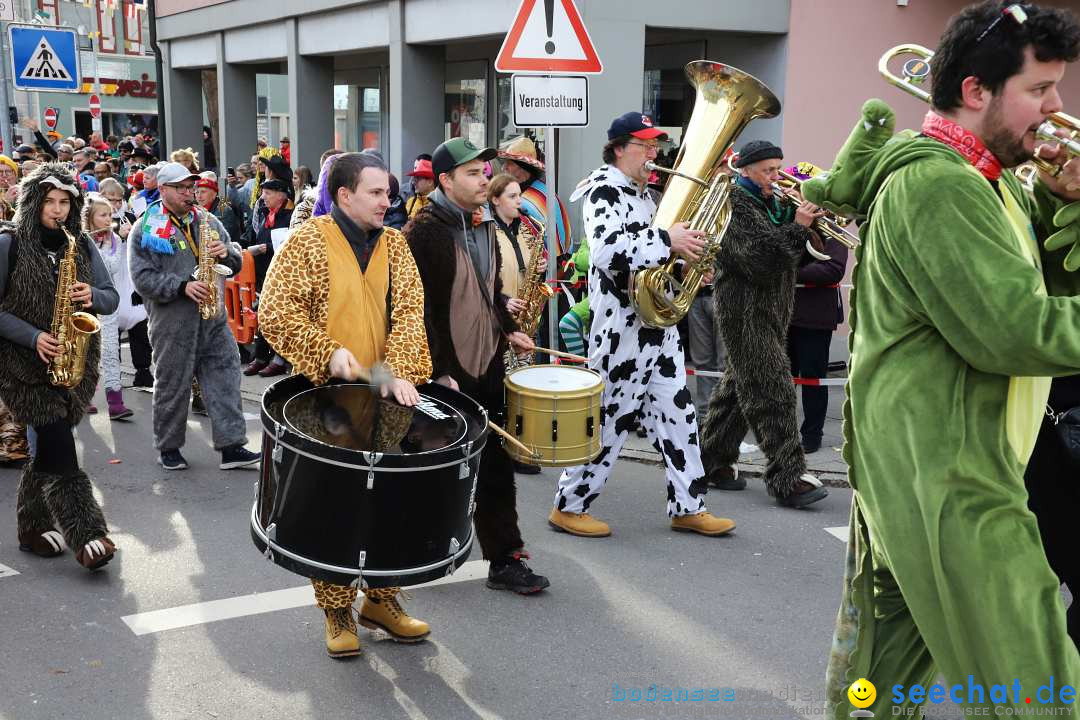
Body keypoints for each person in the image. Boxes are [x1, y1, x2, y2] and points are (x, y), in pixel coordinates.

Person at [797, 2, 1080, 716]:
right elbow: (1016, 329)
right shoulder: (940, 185)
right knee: (1036, 691)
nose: (1057, 108)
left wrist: (1060, 208)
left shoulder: (990, 182)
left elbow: (1035, 289)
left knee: (876, 688)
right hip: (951, 481)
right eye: (1040, 89)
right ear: (977, 91)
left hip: (922, 475)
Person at [260, 151, 433, 657]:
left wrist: (396, 372)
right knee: (334, 507)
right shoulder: (307, 242)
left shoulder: (397, 245)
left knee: (390, 502)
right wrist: (327, 352)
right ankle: (338, 611)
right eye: (377, 192)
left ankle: (382, 599)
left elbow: (410, 314)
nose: (388, 201)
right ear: (344, 195)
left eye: (388, 192)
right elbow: (275, 311)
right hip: (327, 399)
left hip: (387, 397)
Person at [545, 112, 734, 538]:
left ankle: (689, 506)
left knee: (680, 416)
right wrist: (669, 241)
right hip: (621, 329)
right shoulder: (601, 192)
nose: (654, 154)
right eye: (645, 146)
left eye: (655, 147)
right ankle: (569, 505)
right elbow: (608, 254)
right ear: (618, 148)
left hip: (657, 324)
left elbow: (654, 259)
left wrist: (686, 266)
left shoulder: (646, 196)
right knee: (609, 417)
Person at [405, 137, 551, 594]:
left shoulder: (484, 222)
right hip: (446, 369)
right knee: (435, 464)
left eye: (485, 170)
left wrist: (509, 326)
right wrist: (440, 370)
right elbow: (421, 308)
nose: (484, 177)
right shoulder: (423, 231)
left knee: (494, 463)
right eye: (472, 172)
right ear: (445, 180)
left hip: (486, 358)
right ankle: (415, 549)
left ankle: (505, 557)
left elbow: (488, 290)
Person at [0, 162, 119, 569]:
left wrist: (92, 295)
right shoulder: (8, 243)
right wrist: (33, 337)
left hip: (74, 364)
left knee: (44, 447)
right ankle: (88, 533)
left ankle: (32, 529)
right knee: (58, 444)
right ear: (33, 202)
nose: (57, 210)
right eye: (48, 201)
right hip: (20, 366)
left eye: (64, 202)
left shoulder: (81, 244)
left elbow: (110, 297)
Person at [698, 140, 829, 508]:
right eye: (769, 170)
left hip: (775, 310)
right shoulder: (733, 203)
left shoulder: (774, 203)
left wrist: (808, 227)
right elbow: (761, 260)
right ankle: (786, 477)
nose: (778, 176)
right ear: (746, 171)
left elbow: (793, 259)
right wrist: (798, 226)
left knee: (740, 389)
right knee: (774, 390)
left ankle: (712, 461)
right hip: (745, 312)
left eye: (778, 168)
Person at [128, 162, 260, 471]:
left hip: (213, 317)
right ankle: (168, 447)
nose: (190, 194)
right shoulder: (147, 227)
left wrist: (226, 253)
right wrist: (182, 286)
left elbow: (236, 260)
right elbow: (142, 278)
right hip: (172, 321)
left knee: (226, 378)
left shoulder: (208, 220)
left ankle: (232, 446)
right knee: (173, 385)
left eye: (192, 188)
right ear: (162, 190)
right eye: (182, 189)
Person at [782, 164, 849, 455]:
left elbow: (832, 269)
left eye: (800, 188)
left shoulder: (832, 225)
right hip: (783, 312)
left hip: (815, 317)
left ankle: (812, 435)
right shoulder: (785, 219)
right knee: (782, 379)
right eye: (794, 187)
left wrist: (787, 272)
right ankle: (780, 433)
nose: (794, 193)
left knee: (812, 379)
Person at [488, 172, 547, 475]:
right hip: (499, 319)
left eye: (519, 195)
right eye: (512, 196)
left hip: (524, 317)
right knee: (501, 384)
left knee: (522, 385)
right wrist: (504, 299)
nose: (519, 202)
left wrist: (538, 266)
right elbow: (482, 277)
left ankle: (519, 444)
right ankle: (500, 446)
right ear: (495, 199)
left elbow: (528, 264)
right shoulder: (487, 232)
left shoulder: (526, 231)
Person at [83, 193, 133, 420]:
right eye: (103, 215)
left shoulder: (115, 240)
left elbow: (113, 270)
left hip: (108, 306)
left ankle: (116, 403)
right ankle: (84, 398)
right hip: (86, 305)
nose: (108, 219)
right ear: (91, 218)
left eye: (110, 214)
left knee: (112, 353)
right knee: (87, 354)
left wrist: (119, 240)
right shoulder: (83, 240)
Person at [99, 177, 152, 388]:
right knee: (111, 336)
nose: (116, 204)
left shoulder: (129, 216)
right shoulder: (96, 221)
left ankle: (143, 370)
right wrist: (118, 238)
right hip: (110, 281)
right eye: (111, 199)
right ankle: (114, 378)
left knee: (140, 329)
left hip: (131, 280)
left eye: (119, 200)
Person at [241, 179, 292, 377]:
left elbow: (289, 243)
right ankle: (261, 357)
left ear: (281, 195)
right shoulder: (266, 214)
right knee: (264, 315)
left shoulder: (288, 215)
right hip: (265, 273)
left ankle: (278, 359)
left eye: (268, 193)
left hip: (282, 274)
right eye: (263, 193)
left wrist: (266, 248)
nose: (263, 197)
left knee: (279, 316)